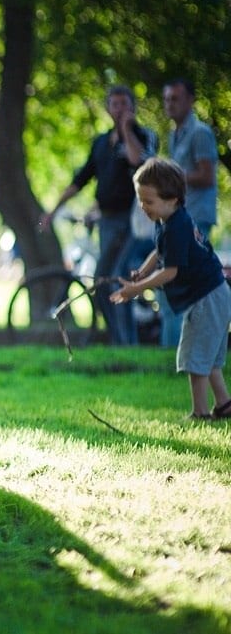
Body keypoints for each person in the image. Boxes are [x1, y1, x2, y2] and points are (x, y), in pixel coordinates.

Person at [110, 158, 231, 420]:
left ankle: (200, 412)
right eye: (141, 200)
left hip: (207, 298)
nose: (143, 207)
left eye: (149, 201)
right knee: (207, 357)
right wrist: (142, 271)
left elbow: (170, 271)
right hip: (216, 294)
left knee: (194, 357)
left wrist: (136, 288)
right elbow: (160, 252)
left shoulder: (177, 226)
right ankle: (224, 404)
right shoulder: (170, 221)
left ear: (172, 198)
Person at [39, 85, 158, 345]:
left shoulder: (143, 135)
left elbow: (143, 164)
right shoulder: (101, 143)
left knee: (117, 278)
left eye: (125, 104)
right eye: (115, 104)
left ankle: (128, 344)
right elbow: (80, 179)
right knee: (104, 283)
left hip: (133, 223)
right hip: (107, 221)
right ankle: (120, 340)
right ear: (107, 108)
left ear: (133, 107)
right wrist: (53, 211)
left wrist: (127, 130)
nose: (120, 109)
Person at [155, 78, 221, 347]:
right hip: (179, 218)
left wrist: (172, 176)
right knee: (173, 289)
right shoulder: (175, 134)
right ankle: (173, 350)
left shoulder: (200, 133)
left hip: (196, 218)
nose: (170, 104)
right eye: (167, 99)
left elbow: (207, 176)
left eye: (176, 98)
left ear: (190, 100)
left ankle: (179, 351)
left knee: (178, 286)